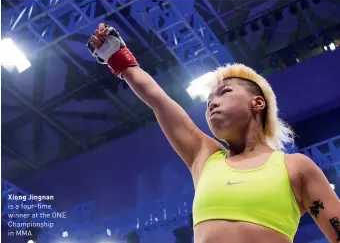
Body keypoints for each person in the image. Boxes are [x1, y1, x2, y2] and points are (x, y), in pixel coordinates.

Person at [87, 23, 340, 243]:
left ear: (257, 103)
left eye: (225, 92)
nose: (212, 103)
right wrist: (116, 56)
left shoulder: (295, 168)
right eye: (208, 101)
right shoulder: (205, 157)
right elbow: (159, 101)